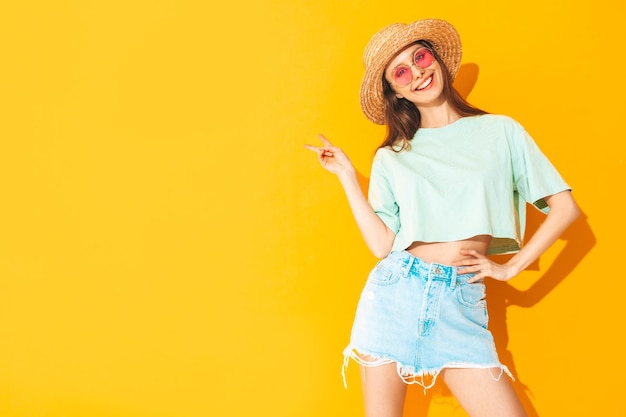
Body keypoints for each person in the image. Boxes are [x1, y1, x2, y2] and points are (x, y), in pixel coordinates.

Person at [305, 18, 580, 417]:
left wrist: (510, 268)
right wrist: (348, 175)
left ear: (436, 60)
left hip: (462, 302)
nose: (417, 73)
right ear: (394, 91)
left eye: (420, 57)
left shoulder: (500, 132)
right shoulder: (392, 156)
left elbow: (565, 207)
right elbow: (383, 245)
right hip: (395, 295)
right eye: (401, 71)